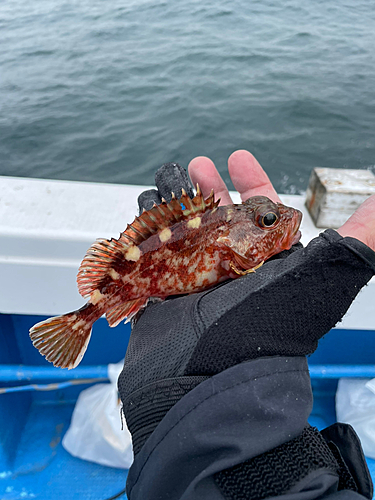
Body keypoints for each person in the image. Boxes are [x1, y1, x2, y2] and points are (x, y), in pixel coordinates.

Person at [118, 150, 375, 500]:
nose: (284, 221)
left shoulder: (230, 242)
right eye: (268, 221)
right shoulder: (221, 244)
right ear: (228, 239)